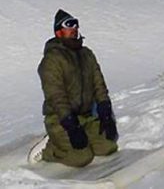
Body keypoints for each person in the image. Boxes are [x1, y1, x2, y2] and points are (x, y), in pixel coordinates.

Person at [36, 9, 118, 167]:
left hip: (86, 117)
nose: (74, 29)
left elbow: (99, 85)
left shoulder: (87, 54)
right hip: (61, 118)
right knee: (81, 158)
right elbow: (56, 96)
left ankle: (83, 136)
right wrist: (70, 125)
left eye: (76, 25)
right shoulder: (52, 60)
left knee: (108, 147)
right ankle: (51, 147)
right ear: (59, 32)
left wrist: (105, 111)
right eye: (69, 26)